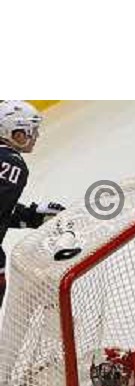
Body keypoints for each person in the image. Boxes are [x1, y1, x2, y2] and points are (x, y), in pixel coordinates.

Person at [0, 100, 65, 307]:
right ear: (16, 134)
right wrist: (28, 216)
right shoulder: (12, 164)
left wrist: (28, 215)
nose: (36, 136)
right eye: (32, 131)